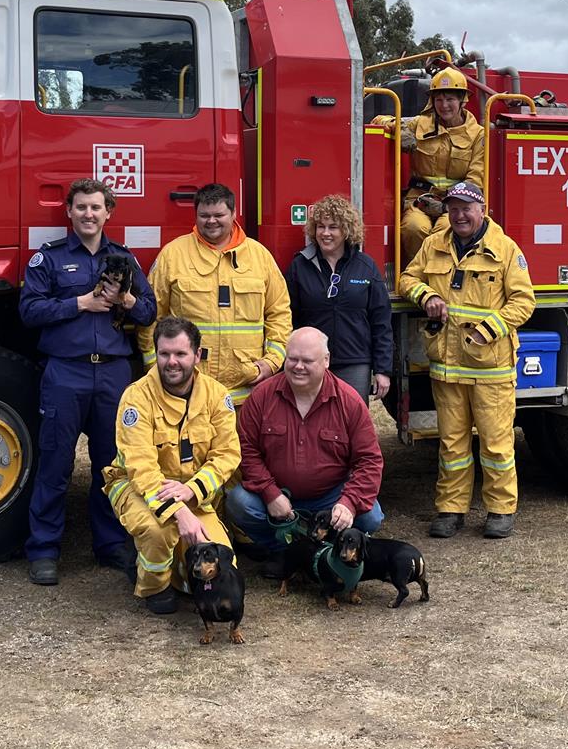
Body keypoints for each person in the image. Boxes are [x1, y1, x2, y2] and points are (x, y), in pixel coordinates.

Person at [18, 178, 156, 586]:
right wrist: (81, 302)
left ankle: (110, 543)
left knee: (111, 465)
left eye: (96, 208)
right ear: (70, 212)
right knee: (56, 464)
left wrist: (125, 301)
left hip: (113, 372)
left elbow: (149, 312)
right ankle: (44, 549)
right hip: (66, 371)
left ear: (108, 212)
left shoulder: (124, 259)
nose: (89, 214)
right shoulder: (50, 259)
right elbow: (29, 311)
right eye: (81, 208)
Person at [397, 180, 535, 540]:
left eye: (466, 208)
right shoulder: (433, 244)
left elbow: (524, 302)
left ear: (482, 210)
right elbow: (406, 279)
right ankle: (450, 509)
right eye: (453, 208)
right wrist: (425, 295)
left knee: (495, 444)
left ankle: (500, 510)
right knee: (452, 445)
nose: (459, 215)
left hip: (490, 368)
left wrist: (488, 330)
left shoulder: (505, 250)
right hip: (447, 368)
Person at [103, 317, 242, 614]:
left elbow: (227, 455)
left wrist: (191, 492)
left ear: (197, 354)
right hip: (137, 488)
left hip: (191, 491)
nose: (171, 362)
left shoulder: (217, 395)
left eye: (180, 354)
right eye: (164, 354)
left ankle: (171, 569)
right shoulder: (136, 397)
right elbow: (140, 467)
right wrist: (180, 512)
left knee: (221, 564)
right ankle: (155, 585)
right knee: (158, 531)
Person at [226, 328, 384, 567]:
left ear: (326, 361)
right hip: (278, 495)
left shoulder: (349, 402)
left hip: (331, 496)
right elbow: (246, 451)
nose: (298, 366)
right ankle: (282, 551)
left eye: (307, 361)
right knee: (238, 503)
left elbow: (369, 460)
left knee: (371, 515)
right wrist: (270, 493)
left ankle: (328, 550)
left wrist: (348, 503)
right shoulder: (261, 397)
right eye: (293, 359)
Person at [139, 182, 292, 406]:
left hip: (246, 394)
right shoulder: (173, 255)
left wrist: (271, 362)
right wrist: (156, 366)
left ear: (233, 213)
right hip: (187, 390)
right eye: (204, 215)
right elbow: (151, 315)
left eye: (218, 214)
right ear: (196, 215)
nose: (211, 221)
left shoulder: (260, 257)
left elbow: (279, 315)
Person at [372, 66, 486, 267]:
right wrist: (399, 128)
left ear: (462, 101)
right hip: (420, 199)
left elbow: (475, 179)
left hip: (455, 205)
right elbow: (379, 119)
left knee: (445, 231)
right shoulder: (420, 124)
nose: (444, 105)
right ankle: (416, 278)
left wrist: (447, 206)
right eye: (438, 100)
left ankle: (441, 281)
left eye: (450, 99)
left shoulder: (477, 134)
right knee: (413, 228)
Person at [284, 194, 393, 400]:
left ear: (346, 231)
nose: (325, 233)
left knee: (351, 424)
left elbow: (381, 322)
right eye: (320, 227)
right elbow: (287, 318)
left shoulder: (366, 266)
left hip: (354, 363)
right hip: (310, 362)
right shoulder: (300, 266)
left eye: (333, 227)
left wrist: (383, 370)